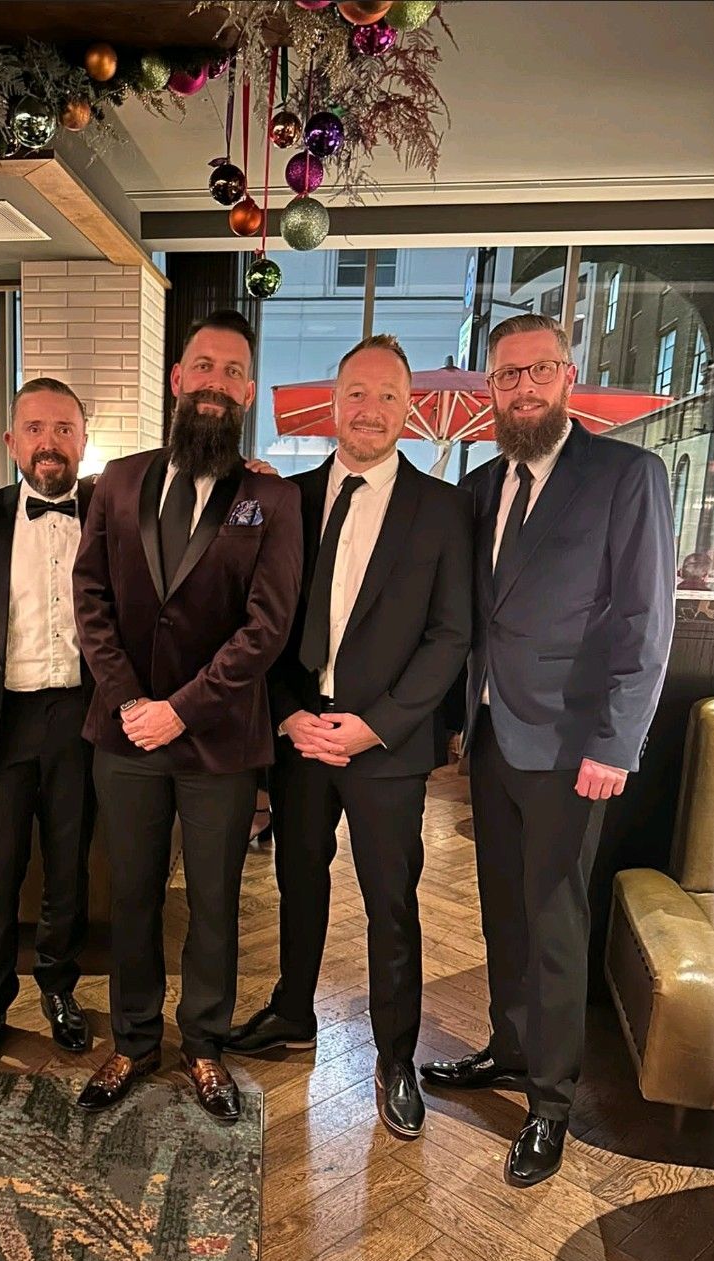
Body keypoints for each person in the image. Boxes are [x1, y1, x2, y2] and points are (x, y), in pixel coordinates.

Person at [420, 314, 676, 1187]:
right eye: (506, 377)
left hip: (574, 750)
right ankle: (508, 1045)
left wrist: (616, 740)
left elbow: (647, 621)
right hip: (493, 738)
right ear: (489, 389)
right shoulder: (484, 483)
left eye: (537, 372)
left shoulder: (627, 475)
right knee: (502, 911)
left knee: (557, 923)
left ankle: (553, 1101)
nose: (521, 389)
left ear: (568, 377)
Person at [226, 336, 472, 1141]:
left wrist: (377, 725)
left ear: (409, 411)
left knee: (391, 905)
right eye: (355, 394)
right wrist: (289, 713)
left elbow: (450, 636)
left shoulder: (444, 509)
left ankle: (394, 1055)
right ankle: (293, 1012)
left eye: (386, 396)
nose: (369, 410)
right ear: (334, 405)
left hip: (386, 746)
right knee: (298, 881)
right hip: (301, 734)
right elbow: (260, 621)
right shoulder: (286, 500)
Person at [72, 309, 302, 1122]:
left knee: (214, 900)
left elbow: (266, 629)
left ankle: (202, 1042)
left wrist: (182, 710)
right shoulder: (117, 482)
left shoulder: (272, 498)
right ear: (178, 380)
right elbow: (90, 601)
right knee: (130, 893)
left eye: (233, 372)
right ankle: (133, 1041)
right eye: (203, 366)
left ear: (246, 392)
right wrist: (133, 702)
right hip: (124, 735)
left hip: (218, 744)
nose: (216, 382)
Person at [0, 377, 96, 1073]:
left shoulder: (111, 512)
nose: (50, 442)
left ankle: (60, 988)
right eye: (35, 428)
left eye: (64, 429)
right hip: (2, 715)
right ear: (10, 441)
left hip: (79, 714)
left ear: (83, 440)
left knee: (68, 868)